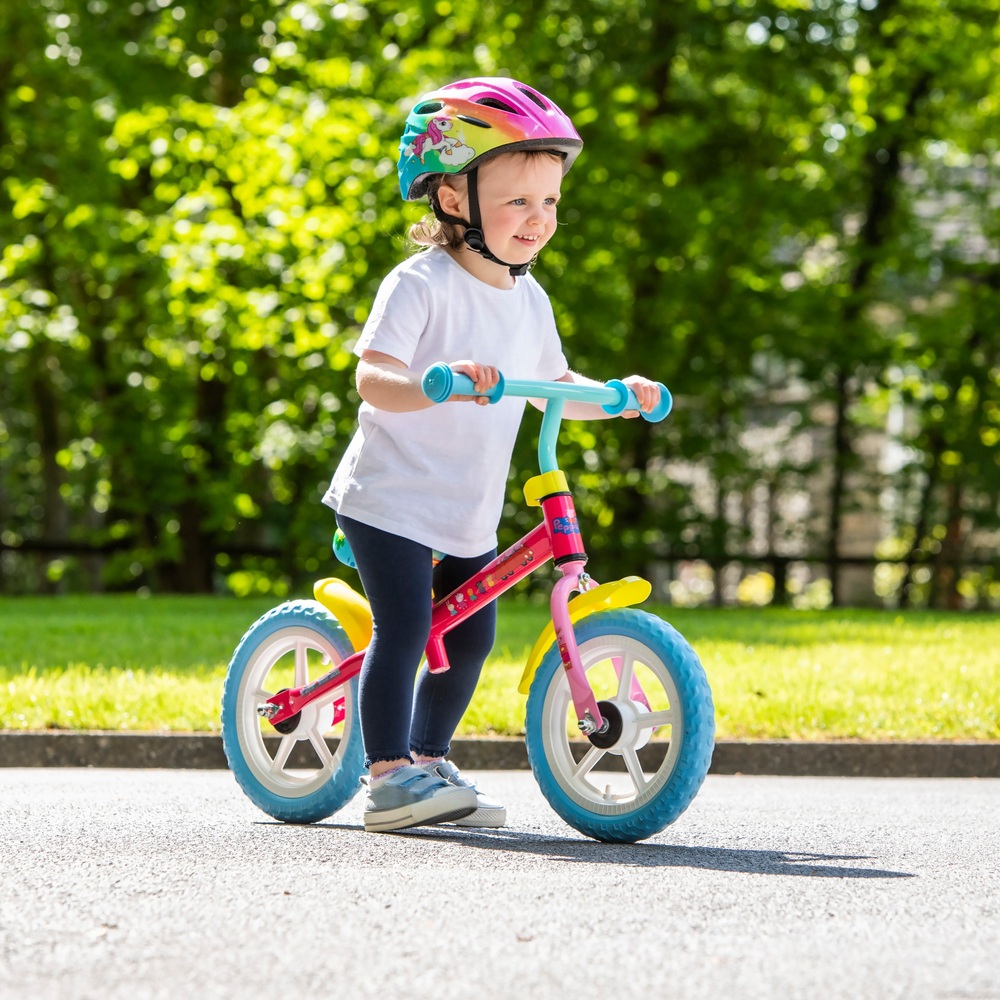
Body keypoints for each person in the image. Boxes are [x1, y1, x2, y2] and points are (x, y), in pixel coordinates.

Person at [324, 77, 662, 834]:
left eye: (549, 204)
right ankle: (386, 779)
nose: (537, 220)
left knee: (472, 634)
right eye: (517, 202)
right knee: (407, 628)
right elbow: (372, 377)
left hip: (464, 505)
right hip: (390, 497)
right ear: (453, 201)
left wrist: (615, 391)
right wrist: (437, 386)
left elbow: (554, 381)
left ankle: (430, 758)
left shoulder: (529, 298)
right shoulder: (420, 284)